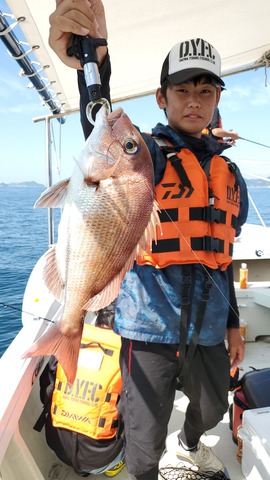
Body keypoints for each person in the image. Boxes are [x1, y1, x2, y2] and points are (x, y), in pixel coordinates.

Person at [48, 3, 249, 479]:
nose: (194, 100)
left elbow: (222, 252)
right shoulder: (146, 157)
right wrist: (92, 58)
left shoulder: (230, 173)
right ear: (162, 97)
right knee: (143, 441)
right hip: (147, 330)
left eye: (205, 90)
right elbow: (99, 124)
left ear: (217, 98)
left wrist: (235, 324)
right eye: (182, 90)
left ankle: (192, 443)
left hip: (209, 328)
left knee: (213, 408)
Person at [35, 306, 125, 477]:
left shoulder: (69, 342)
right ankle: (113, 465)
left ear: (98, 317)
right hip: (101, 460)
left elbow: (45, 391)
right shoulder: (127, 356)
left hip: (57, 447)